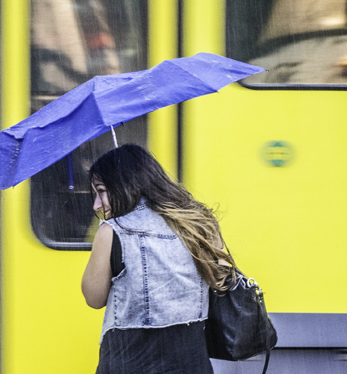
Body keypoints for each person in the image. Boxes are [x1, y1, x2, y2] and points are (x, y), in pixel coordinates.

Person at [81, 144, 234, 374]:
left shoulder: (112, 232)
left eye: (102, 191)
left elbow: (93, 298)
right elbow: (222, 281)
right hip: (190, 364)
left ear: (125, 184)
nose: (97, 205)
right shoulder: (198, 224)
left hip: (129, 364)